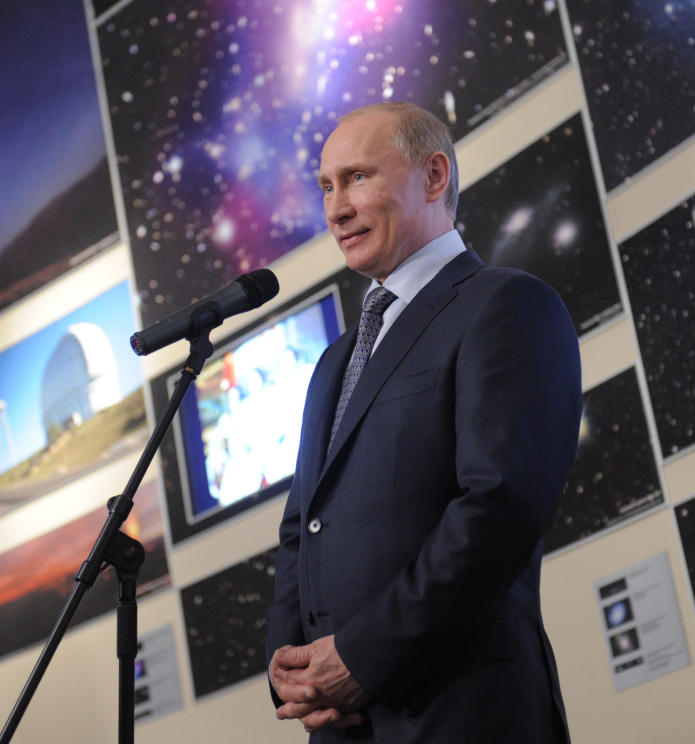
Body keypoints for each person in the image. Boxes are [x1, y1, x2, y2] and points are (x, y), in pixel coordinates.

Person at [265, 102, 582, 743]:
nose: (335, 209)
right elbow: (303, 526)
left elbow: (499, 506)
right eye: (326, 186)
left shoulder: (507, 305)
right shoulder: (332, 362)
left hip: (463, 714)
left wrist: (362, 657)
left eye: (357, 178)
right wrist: (290, 666)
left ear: (434, 177)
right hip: (346, 727)